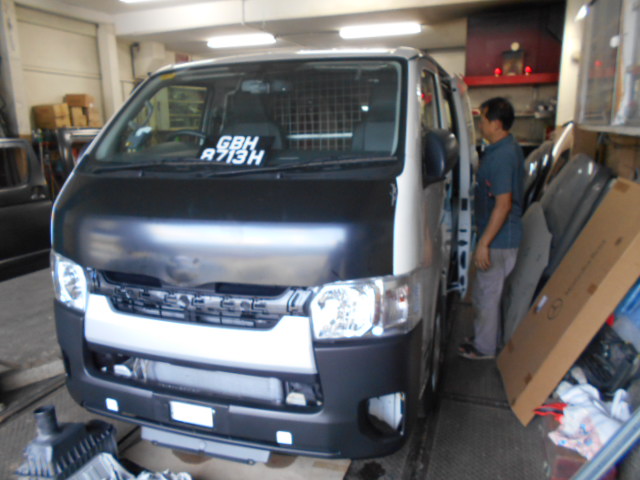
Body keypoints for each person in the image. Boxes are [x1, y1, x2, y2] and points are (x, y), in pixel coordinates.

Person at [459, 97, 524, 360]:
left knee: (487, 296)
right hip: (496, 236)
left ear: (496, 124)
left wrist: (484, 244)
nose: (480, 124)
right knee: (485, 294)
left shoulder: (503, 157)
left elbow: (503, 204)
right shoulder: (501, 148)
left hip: (498, 240)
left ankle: (484, 349)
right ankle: (484, 338)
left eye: (483, 119)